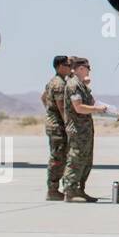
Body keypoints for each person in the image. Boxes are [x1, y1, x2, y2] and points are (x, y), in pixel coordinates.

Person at [61, 57, 108, 202]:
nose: (89, 71)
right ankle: (70, 190)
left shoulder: (81, 85)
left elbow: (89, 101)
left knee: (85, 159)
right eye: (88, 68)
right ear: (81, 68)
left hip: (85, 129)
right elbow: (78, 107)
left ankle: (79, 189)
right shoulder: (73, 85)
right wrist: (97, 109)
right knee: (76, 158)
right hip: (77, 129)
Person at [40, 55, 71, 201]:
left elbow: (43, 97)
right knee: (58, 158)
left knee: (59, 156)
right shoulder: (59, 84)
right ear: (59, 66)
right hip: (58, 127)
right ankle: (52, 190)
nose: (70, 67)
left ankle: (54, 189)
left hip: (54, 125)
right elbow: (62, 107)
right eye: (67, 65)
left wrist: (49, 111)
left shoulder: (53, 81)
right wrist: (68, 124)